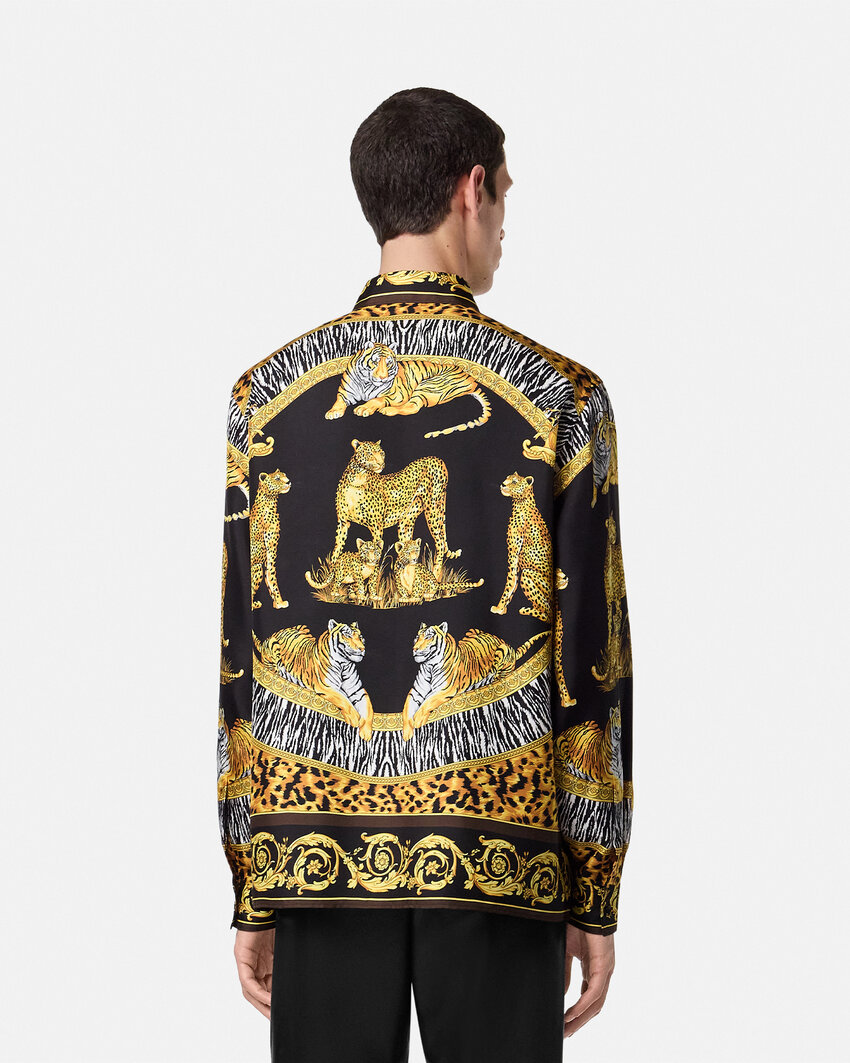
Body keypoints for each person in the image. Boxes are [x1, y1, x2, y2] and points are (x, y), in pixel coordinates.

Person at [217, 86, 634, 1063]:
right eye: (506, 196)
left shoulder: (263, 399)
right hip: (504, 859)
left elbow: (243, 654)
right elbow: (593, 664)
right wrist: (594, 887)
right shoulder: (561, 397)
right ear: (471, 190)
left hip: (316, 847)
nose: (504, 227)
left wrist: (255, 880)